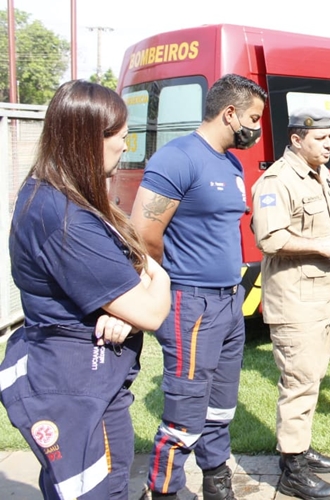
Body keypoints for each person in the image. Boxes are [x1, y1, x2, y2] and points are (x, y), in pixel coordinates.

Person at [0, 80, 171, 500]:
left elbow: (121, 281)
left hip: (79, 381)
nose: (126, 147)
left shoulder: (53, 194)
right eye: (121, 137)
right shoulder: (63, 218)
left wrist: (127, 301)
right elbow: (151, 313)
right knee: (99, 490)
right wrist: (159, 279)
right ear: (89, 139)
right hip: (79, 390)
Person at [131, 74, 268, 500]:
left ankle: (216, 476)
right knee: (187, 408)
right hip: (192, 304)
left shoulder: (230, 162)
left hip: (231, 302)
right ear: (229, 113)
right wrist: (171, 280)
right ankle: (166, 489)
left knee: (221, 404)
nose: (257, 127)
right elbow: (144, 232)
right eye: (253, 118)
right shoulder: (177, 159)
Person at [250, 108, 330, 499]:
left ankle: (299, 448)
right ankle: (292, 471)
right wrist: (322, 246)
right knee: (298, 383)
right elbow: (270, 238)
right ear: (296, 140)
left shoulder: (320, 174)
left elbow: (327, 224)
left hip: (321, 299)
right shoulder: (276, 181)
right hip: (296, 303)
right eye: (322, 140)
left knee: (310, 379)